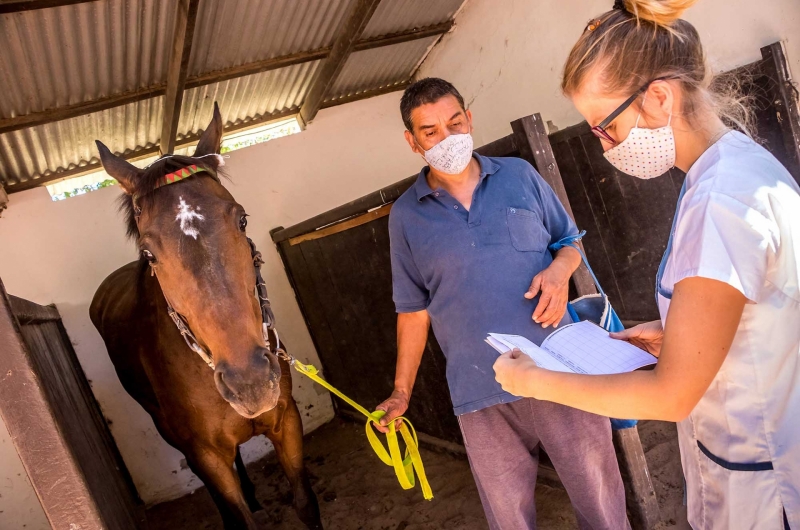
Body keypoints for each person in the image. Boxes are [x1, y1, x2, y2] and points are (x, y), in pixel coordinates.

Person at [493, 1, 800, 529]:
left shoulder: (721, 200)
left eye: (604, 128)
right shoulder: (736, 166)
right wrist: (675, 332)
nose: (606, 146)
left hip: (761, 480)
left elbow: (672, 395)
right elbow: (763, 310)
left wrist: (534, 382)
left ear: (658, 97)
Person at [376, 77, 629, 529]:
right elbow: (412, 310)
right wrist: (401, 391)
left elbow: (570, 243)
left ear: (470, 120)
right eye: (431, 131)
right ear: (413, 142)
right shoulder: (405, 217)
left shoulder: (519, 176)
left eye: (455, 122)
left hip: (561, 366)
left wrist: (559, 271)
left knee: (601, 500)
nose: (448, 137)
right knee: (508, 517)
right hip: (479, 390)